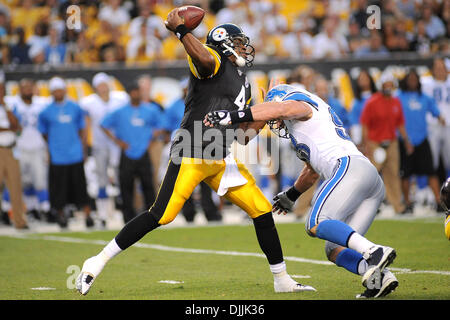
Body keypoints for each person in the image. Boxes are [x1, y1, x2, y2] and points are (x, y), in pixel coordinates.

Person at [76, 13, 315, 296]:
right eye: (238, 43)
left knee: (262, 211)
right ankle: (97, 260)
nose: (243, 48)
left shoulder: (243, 82)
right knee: (161, 215)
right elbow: (201, 56)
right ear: (223, 44)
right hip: (192, 151)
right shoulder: (211, 61)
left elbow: (243, 135)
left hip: (221, 157)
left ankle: (282, 279)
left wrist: (265, 112)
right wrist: (181, 31)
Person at [205, 82, 399, 298]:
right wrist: (292, 195)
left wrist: (231, 116)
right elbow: (312, 172)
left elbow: (282, 109)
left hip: (349, 168)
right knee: (334, 250)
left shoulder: (303, 104)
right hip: (368, 180)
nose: (274, 121)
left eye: (274, 111)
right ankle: (381, 278)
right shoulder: (303, 124)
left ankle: (374, 251)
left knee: (315, 222)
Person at [100, 82, 162, 224]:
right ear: (129, 94)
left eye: (137, 92)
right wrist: (117, 141)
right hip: (127, 152)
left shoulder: (150, 110)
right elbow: (103, 124)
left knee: (148, 185)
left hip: (143, 152)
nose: (136, 94)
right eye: (133, 92)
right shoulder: (120, 111)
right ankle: (128, 217)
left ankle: (151, 215)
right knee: (126, 186)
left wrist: (151, 140)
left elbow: (161, 125)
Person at [163, 77, 222, 223]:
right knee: (184, 180)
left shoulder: (203, 102)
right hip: (182, 144)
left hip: (202, 143)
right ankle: (188, 213)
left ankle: (210, 212)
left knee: (205, 179)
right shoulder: (174, 105)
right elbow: (165, 127)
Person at [37, 77, 93, 228]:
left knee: (81, 187)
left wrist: (84, 150)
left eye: (60, 90)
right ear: (51, 92)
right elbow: (43, 132)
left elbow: (83, 130)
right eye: (55, 90)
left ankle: (88, 216)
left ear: (65, 90)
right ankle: (62, 217)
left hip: (74, 154)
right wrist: (51, 148)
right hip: (57, 156)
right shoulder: (46, 112)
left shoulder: (75, 107)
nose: (58, 93)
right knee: (58, 190)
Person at [79, 72, 129, 227]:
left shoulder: (120, 99)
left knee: (121, 178)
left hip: (117, 144)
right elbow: (86, 125)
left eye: (104, 84)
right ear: (95, 88)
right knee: (101, 179)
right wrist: (85, 146)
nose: (103, 88)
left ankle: (122, 212)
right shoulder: (89, 102)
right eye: (99, 85)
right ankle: (102, 214)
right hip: (100, 145)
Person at [360, 72, 412, 214]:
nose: (389, 87)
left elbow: (400, 124)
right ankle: (365, 205)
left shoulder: (396, 102)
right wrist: (366, 145)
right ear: (381, 85)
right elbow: (365, 124)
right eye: (386, 84)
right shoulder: (372, 101)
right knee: (372, 174)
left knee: (393, 174)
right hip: (375, 142)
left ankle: (398, 206)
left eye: (391, 84)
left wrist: (406, 141)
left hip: (392, 142)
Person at [397, 69, 446, 212]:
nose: (412, 81)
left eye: (414, 79)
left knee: (431, 171)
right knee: (406, 174)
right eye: (410, 79)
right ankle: (407, 203)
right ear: (405, 81)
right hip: (405, 140)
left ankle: (438, 202)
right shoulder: (399, 97)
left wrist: (441, 118)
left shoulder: (425, 97)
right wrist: (405, 139)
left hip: (422, 139)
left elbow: (436, 111)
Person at [10, 78, 50, 220]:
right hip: (19, 148)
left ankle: (45, 209)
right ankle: (30, 209)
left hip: (38, 147)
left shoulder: (42, 104)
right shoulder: (13, 104)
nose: (27, 90)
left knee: (40, 180)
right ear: (19, 89)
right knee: (23, 181)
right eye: (24, 87)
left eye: (29, 87)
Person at [0, 78, 28, 230]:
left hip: (11, 149)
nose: (1, 92)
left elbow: (17, 126)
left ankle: (19, 221)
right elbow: (11, 128)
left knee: (15, 187)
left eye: (2, 89)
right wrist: (8, 129)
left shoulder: (10, 105)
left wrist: (5, 106)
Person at [421, 58, 450, 181]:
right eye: (437, 68)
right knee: (431, 159)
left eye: (442, 67)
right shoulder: (425, 83)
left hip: (449, 125)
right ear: (432, 70)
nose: (440, 70)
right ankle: (430, 188)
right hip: (432, 125)